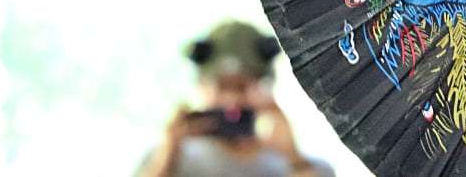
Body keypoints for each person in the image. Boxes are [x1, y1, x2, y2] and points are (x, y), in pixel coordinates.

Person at [137, 20, 332, 177]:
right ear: (201, 88)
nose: (232, 101)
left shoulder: (304, 167)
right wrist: (167, 157)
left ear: (266, 90)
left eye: (242, 87)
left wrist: (294, 160)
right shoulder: (169, 160)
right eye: (221, 87)